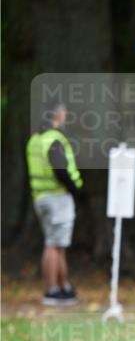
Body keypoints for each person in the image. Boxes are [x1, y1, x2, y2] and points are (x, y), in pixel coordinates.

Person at [26, 104, 83, 306]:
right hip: (57, 197)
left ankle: (63, 286)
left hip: (40, 197)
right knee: (53, 244)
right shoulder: (54, 139)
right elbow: (61, 171)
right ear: (59, 115)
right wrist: (75, 190)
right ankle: (52, 290)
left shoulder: (35, 139)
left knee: (57, 244)